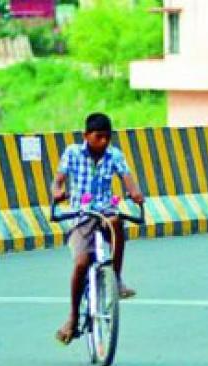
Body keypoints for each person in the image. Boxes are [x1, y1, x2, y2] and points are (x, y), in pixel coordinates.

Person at [52, 113, 145, 344]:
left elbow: (127, 178)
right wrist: (56, 191)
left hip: (105, 210)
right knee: (82, 263)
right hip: (81, 215)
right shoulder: (72, 153)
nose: (103, 142)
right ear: (86, 136)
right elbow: (58, 179)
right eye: (98, 137)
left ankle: (116, 278)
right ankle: (73, 317)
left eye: (107, 138)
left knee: (116, 222)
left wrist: (135, 192)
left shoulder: (114, 155)